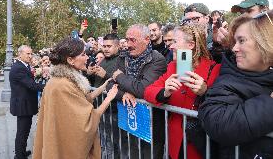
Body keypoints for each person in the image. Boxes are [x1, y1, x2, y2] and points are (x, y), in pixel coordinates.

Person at [198, 11, 273, 159]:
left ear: (265, 42)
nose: (234, 48)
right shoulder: (230, 78)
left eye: (242, 41)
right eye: (236, 41)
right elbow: (216, 120)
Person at [33, 37, 118, 159]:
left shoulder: (61, 81)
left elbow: (83, 99)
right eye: (83, 54)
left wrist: (102, 87)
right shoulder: (62, 85)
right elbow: (87, 120)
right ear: (70, 60)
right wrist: (108, 99)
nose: (87, 58)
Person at [144, 23, 221, 159]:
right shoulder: (173, 66)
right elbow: (148, 92)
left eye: (175, 41)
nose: (170, 46)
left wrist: (205, 91)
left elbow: (221, 104)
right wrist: (165, 92)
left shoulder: (214, 68)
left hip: (198, 144)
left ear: (191, 45)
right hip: (175, 142)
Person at [107, 24, 167, 159]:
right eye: (127, 39)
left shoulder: (157, 60)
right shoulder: (123, 58)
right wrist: (123, 94)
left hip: (151, 126)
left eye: (132, 40)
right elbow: (109, 85)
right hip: (129, 122)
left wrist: (120, 77)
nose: (128, 44)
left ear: (146, 39)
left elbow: (142, 90)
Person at [10, 45, 45, 159]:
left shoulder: (23, 65)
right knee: (22, 132)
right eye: (27, 54)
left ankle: (22, 152)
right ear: (20, 54)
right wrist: (49, 86)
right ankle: (19, 156)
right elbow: (31, 85)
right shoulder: (18, 68)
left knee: (24, 131)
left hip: (24, 104)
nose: (30, 56)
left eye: (31, 54)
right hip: (22, 105)